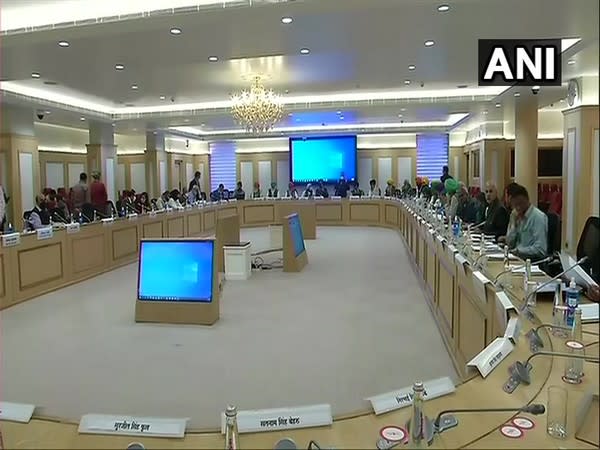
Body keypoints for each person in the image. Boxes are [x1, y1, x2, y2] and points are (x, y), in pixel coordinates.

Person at [503, 184, 548, 261]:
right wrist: (513, 224)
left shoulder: (538, 217)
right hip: (516, 259)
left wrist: (519, 251)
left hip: (531, 262)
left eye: (520, 204)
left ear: (527, 200)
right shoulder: (516, 215)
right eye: (515, 205)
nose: (518, 208)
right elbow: (509, 243)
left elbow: (541, 249)